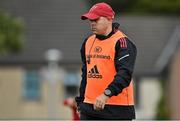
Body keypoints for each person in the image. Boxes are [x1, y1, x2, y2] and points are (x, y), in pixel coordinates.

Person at [75, 2, 137, 120]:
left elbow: (125, 75)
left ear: (109, 19)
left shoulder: (122, 42)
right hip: (89, 109)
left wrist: (106, 95)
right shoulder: (87, 42)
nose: (92, 23)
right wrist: (81, 101)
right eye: (90, 20)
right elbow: (86, 75)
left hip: (117, 111)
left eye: (96, 20)